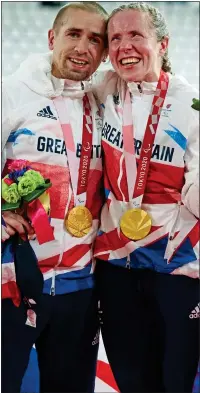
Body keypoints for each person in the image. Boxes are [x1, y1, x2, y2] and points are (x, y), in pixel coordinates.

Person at [1, 2, 108, 392]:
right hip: (14, 285)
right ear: (52, 38)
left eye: (95, 39)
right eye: (74, 34)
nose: (83, 46)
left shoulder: (104, 102)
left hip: (80, 288)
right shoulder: (11, 93)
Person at [93, 2, 199, 392]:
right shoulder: (102, 89)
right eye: (115, 38)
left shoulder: (191, 106)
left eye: (136, 35)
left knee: (175, 381)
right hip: (116, 263)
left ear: (163, 44)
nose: (124, 46)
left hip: (176, 265)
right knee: (132, 381)